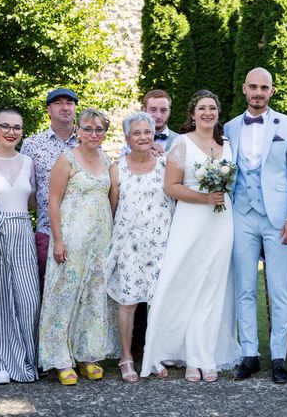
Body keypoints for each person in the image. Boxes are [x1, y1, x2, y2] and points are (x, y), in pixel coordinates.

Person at [141, 90, 241, 382]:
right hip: (191, 221)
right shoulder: (181, 143)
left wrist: (217, 199)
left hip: (221, 223)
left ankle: (204, 354)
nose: (207, 113)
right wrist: (204, 198)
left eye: (212, 107)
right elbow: (171, 187)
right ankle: (185, 356)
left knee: (213, 287)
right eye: (202, 108)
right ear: (193, 113)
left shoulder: (228, 145)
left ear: (218, 112)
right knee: (184, 284)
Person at [225, 68, 287, 384]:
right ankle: (250, 355)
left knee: (280, 289)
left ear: (271, 91)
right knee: (244, 287)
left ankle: (278, 358)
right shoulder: (230, 128)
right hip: (241, 215)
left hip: (277, 218)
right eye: (254, 87)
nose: (259, 92)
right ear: (245, 89)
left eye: (265, 87)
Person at [38, 108, 117, 385]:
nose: (93, 134)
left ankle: (87, 354)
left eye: (99, 129)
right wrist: (58, 240)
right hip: (71, 240)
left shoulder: (108, 161)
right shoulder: (67, 159)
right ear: (78, 130)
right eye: (88, 128)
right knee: (64, 298)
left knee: (94, 297)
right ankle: (60, 358)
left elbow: (111, 200)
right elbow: (53, 201)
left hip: (99, 242)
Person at [106, 112, 175, 382]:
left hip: (161, 245)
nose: (144, 137)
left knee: (158, 302)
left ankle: (153, 355)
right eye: (137, 133)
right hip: (129, 246)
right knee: (129, 302)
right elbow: (112, 208)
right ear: (127, 138)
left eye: (148, 132)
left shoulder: (165, 164)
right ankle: (126, 357)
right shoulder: (117, 168)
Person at [0, 109, 40, 384]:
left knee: (29, 298)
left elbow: (35, 201)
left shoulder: (28, 162)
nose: (11, 132)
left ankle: (27, 358)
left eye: (17, 128)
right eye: (6, 126)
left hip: (23, 230)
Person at [21, 88, 78, 294]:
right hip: (46, 230)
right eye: (58, 103)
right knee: (45, 290)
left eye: (69, 103)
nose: (65, 107)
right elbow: (26, 190)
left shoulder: (88, 142)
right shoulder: (32, 145)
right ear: (48, 110)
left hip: (81, 230)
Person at [120, 89, 179, 156]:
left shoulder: (179, 141)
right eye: (153, 110)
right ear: (143, 110)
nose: (158, 116)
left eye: (163, 110)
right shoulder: (132, 141)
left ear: (169, 112)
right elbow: (122, 164)